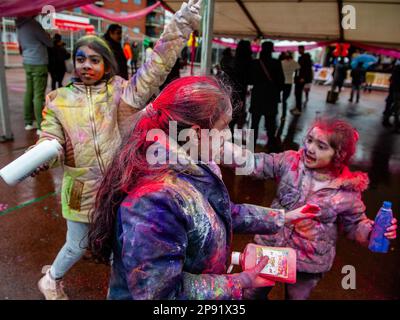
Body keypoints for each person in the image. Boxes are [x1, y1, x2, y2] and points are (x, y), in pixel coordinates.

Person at [29, 0, 203, 300]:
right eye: (81, 58)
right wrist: (43, 155)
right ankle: (52, 278)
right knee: (77, 245)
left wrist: (180, 25)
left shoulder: (121, 94)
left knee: (120, 247)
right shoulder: (57, 99)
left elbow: (155, 68)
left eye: (95, 60)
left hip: (117, 187)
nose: (86, 65)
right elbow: (51, 137)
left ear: (107, 64)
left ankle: (116, 293)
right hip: (79, 191)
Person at [87, 76, 319, 300]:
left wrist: (283, 218)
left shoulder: (195, 162)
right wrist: (238, 283)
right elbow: (159, 294)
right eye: (224, 126)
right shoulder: (154, 200)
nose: (229, 136)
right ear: (197, 132)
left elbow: (221, 212)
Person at [225, 117, 398, 300]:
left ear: (338, 155)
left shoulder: (347, 191)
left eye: (321, 146)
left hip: (308, 262)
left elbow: (355, 224)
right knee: (252, 294)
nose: (310, 148)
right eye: (309, 140)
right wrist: (221, 151)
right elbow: (255, 163)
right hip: (270, 249)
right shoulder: (290, 162)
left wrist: (371, 231)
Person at [16, 16, 53, 134]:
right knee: (38, 95)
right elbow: (49, 43)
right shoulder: (34, 25)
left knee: (29, 92)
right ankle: (40, 126)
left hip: (27, 61)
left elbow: (21, 46)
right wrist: (47, 35)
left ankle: (28, 122)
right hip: (38, 62)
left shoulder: (19, 26)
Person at [249, 41, 284, 151]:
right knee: (270, 124)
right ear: (271, 50)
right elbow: (281, 81)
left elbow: (250, 80)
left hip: (257, 95)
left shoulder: (255, 63)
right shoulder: (276, 62)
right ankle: (271, 146)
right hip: (271, 96)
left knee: (254, 123)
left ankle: (251, 147)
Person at [229, 40, 253, 135]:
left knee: (231, 110)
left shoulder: (233, 60)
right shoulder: (249, 62)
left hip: (230, 90)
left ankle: (229, 131)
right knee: (239, 110)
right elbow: (250, 79)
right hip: (241, 90)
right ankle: (235, 128)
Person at [292, 46, 313, 115]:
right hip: (299, 78)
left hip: (302, 78)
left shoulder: (306, 58)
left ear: (303, 49)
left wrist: (303, 78)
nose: (298, 50)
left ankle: (299, 109)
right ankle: (297, 107)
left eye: (299, 49)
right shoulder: (301, 57)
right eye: (298, 49)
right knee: (297, 93)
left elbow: (307, 69)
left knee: (298, 93)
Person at [281, 51, 300, 121]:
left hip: (281, 82)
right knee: (284, 100)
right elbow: (298, 69)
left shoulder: (282, 62)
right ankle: (283, 115)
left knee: (279, 99)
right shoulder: (294, 62)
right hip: (289, 82)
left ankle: (280, 114)